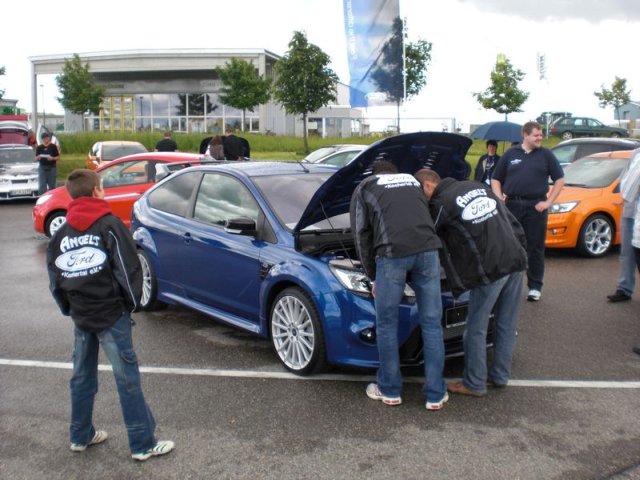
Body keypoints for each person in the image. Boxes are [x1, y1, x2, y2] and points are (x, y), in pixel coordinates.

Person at [46, 169, 175, 461]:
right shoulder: (110, 225)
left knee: (81, 376)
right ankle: (142, 443)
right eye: (102, 188)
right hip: (110, 315)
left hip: (81, 315)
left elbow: (55, 278)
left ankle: (80, 435)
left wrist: (68, 308)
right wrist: (131, 305)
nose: (103, 192)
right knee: (127, 378)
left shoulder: (61, 234)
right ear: (95, 192)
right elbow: (129, 269)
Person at [415, 168, 527, 396]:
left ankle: (474, 383)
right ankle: (500, 376)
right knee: (505, 323)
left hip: (490, 269)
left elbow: (427, 235)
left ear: (427, 186)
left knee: (475, 328)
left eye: (421, 195)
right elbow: (510, 220)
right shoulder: (478, 186)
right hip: (515, 259)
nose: (423, 201)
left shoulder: (441, 203)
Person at [350, 158, 448, 410]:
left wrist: (372, 276)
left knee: (386, 324)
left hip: (392, 256)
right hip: (428, 251)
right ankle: (435, 394)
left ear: (374, 173)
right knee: (432, 324)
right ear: (395, 172)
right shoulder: (413, 182)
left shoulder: (366, 186)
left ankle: (390, 390)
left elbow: (362, 234)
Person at [491, 121, 565, 302]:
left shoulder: (546, 155)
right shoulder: (510, 154)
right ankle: (507, 285)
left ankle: (534, 286)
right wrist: (499, 198)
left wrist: (548, 202)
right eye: (536, 135)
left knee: (535, 248)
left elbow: (560, 180)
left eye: (541, 135)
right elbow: (495, 179)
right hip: (512, 206)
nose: (540, 138)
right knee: (510, 246)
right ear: (524, 135)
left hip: (536, 207)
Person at [607, 149, 640, 302]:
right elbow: (626, 177)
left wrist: (627, 194)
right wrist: (623, 196)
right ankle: (624, 288)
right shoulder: (636, 153)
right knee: (627, 253)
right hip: (629, 210)